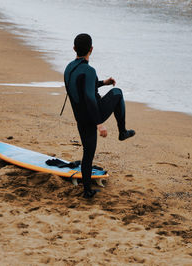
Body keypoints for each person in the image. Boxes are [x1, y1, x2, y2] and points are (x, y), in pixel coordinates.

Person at [64, 33, 135, 199]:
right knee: (117, 93)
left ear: (74, 49)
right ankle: (122, 132)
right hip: (93, 115)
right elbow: (89, 97)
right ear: (91, 49)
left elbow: (84, 87)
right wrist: (99, 124)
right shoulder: (89, 70)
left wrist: (103, 82)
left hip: (81, 118)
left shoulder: (68, 68)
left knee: (88, 154)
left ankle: (87, 191)